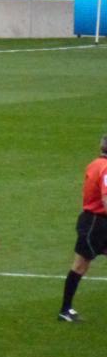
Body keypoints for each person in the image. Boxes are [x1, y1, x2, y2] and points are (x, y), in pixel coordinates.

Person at [58, 135, 107, 323]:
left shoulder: (94, 164)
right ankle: (65, 309)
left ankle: (65, 309)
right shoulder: (105, 168)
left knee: (80, 264)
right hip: (97, 223)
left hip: (92, 220)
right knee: (80, 265)